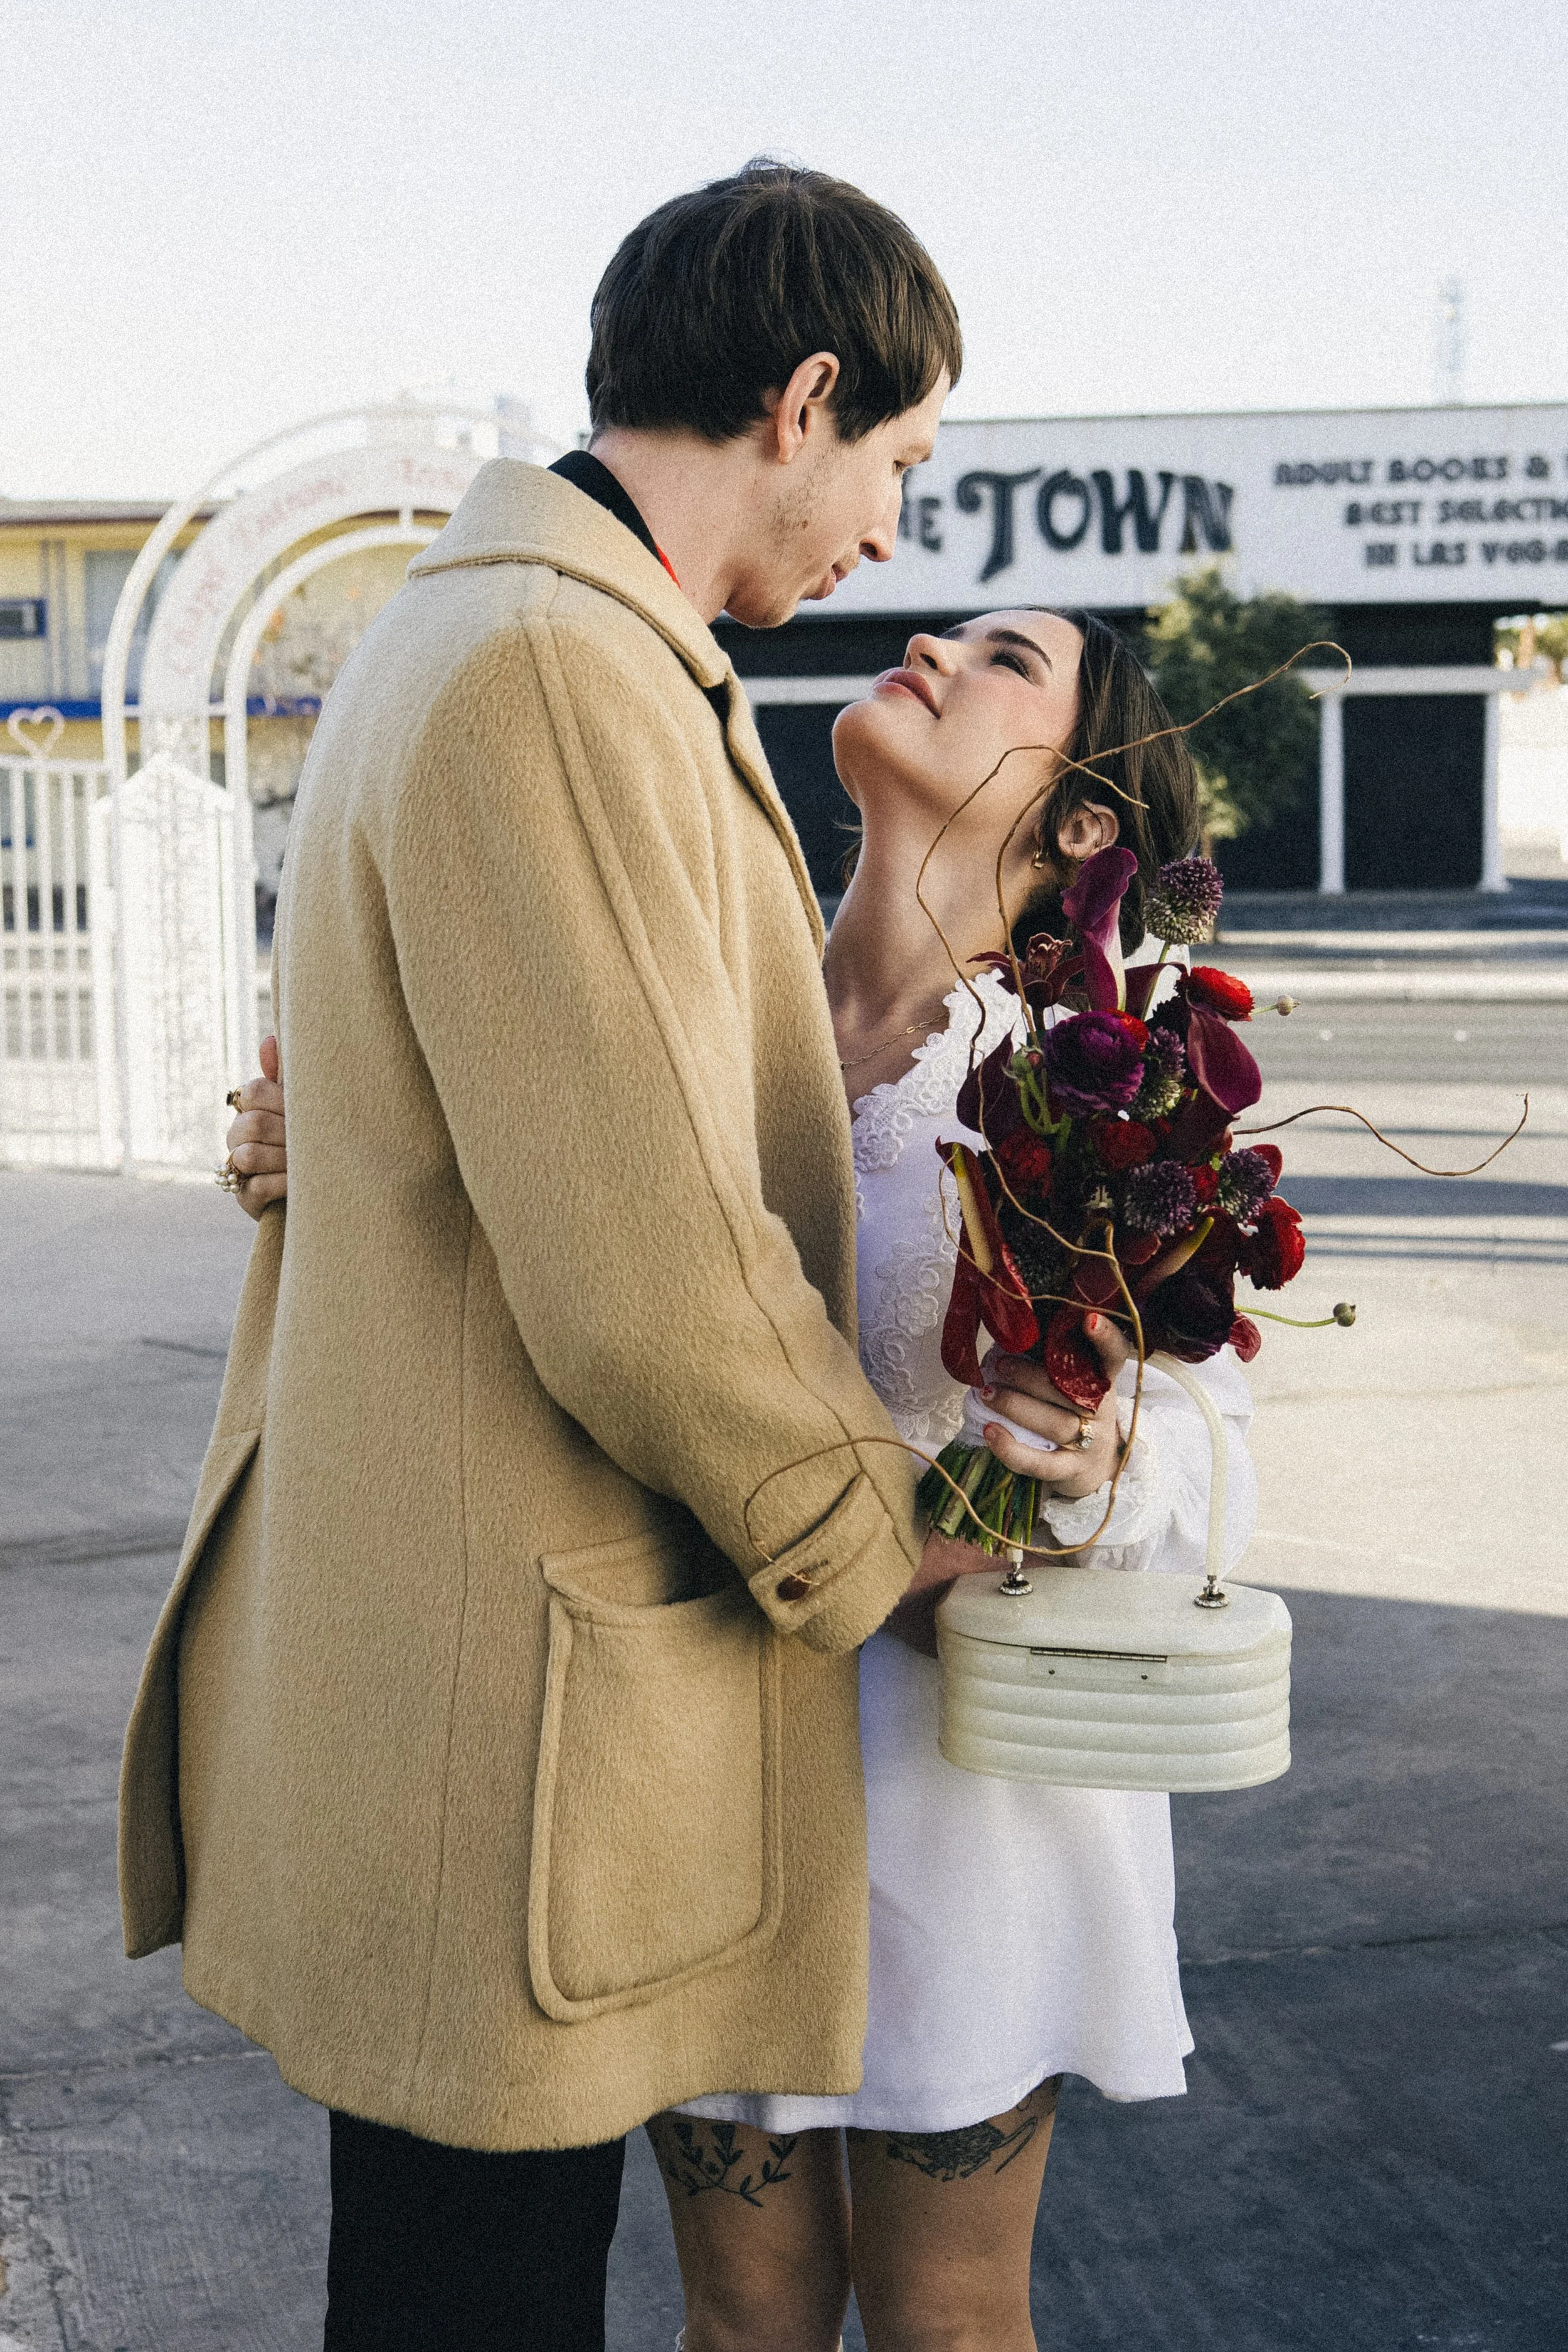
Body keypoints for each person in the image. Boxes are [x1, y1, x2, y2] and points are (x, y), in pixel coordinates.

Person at [118, 161, 1081, 2352]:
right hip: (501, 1725)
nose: (889, 541)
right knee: (476, 2304)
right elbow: (643, 1248)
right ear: (803, 394)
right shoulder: (555, 665)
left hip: (473, 1698)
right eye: (900, 465)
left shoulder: (528, 635)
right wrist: (886, 1541)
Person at [225, 605, 1259, 2351]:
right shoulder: (696, 995)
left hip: (960, 1791)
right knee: (745, 2311)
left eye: (1006, 658)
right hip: (696, 1764)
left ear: (1081, 823)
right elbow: (546, 1250)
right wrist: (329, 1157)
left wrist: (1093, 1443)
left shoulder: (1094, 1075)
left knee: (945, 2315)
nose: (933, 638)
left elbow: (1216, 1436)